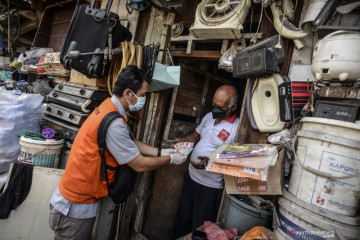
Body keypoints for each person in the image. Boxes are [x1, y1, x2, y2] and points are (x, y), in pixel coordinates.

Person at [49, 65, 187, 240]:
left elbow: (128, 142)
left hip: (79, 198)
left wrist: (160, 152)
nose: (144, 99)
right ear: (128, 93)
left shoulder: (110, 108)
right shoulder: (114, 123)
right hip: (75, 206)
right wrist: (171, 159)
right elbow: (138, 164)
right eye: (143, 95)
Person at [173, 85, 239, 239]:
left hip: (210, 187)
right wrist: (181, 140)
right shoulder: (209, 116)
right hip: (192, 178)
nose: (215, 109)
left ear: (233, 107)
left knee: (200, 229)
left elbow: (232, 158)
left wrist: (209, 162)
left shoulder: (236, 128)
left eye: (221, 107)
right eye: (214, 104)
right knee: (182, 221)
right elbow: (195, 137)